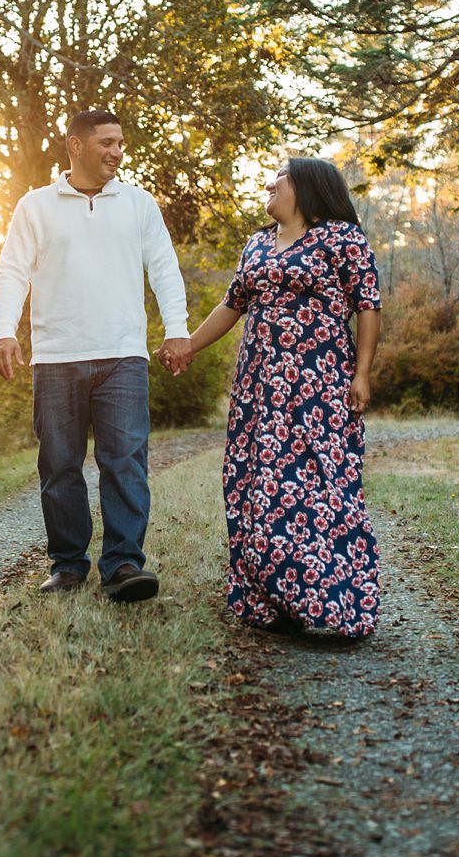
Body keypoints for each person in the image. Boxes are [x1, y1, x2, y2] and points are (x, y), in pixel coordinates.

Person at [160, 157, 383, 637]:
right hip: (258, 388)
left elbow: (367, 306)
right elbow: (231, 304)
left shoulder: (343, 238)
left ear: (304, 187)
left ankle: (331, 601)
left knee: (319, 484)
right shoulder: (257, 243)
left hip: (318, 385)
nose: (268, 184)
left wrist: (361, 374)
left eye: (277, 178)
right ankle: (269, 600)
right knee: (254, 483)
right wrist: (189, 347)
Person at [0, 109, 190, 602]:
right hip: (56, 356)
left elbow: (164, 268)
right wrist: (3, 331)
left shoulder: (138, 204)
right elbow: (13, 270)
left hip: (122, 353)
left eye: (121, 143)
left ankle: (123, 564)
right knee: (59, 464)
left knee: (125, 461)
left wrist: (177, 330)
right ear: (75, 146)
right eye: (106, 142)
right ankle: (68, 565)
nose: (117, 152)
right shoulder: (34, 206)